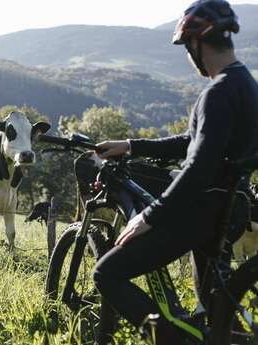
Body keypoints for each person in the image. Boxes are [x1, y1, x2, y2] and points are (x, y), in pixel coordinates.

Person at [92, 1, 258, 344]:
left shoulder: (217, 92)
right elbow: (193, 143)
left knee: (106, 273)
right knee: (216, 307)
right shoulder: (246, 85)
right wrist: (132, 144)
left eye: (186, 47)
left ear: (196, 44)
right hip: (233, 207)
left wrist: (150, 215)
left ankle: (173, 339)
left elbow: (198, 165)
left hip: (201, 211)